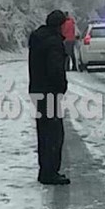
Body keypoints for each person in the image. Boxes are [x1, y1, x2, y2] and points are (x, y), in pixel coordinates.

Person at [29, 10, 70, 185]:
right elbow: (55, 69)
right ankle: (50, 172)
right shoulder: (54, 43)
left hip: (38, 89)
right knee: (54, 134)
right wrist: (62, 86)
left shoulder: (38, 39)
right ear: (60, 25)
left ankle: (44, 169)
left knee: (43, 131)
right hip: (50, 92)